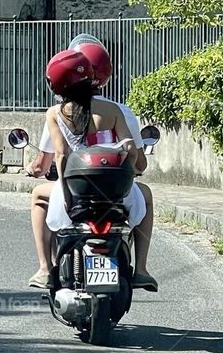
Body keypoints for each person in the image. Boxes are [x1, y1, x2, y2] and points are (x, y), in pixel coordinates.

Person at [28, 35, 156, 290]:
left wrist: (65, 192)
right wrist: (125, 172)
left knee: (37, 196)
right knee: (148, 196)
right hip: (115, 193)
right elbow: (130, 149)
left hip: (77, 192)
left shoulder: (55, 113)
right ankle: (141, 268)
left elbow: (62, 155)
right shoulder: (113, 110)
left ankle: (44, 268)